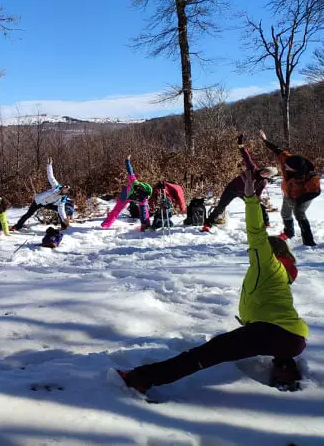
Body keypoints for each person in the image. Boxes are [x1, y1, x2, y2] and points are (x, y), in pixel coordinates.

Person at [118, 169, 308, 393]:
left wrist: (250, 199)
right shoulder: (281, 274)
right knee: (260, 340)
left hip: (275, 334)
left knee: (207, 353)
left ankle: (141, 379)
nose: (251, 252)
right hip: (294, 338)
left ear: (269, 251)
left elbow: (256, 232)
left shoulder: (268, 264)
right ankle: (285, 367)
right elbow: (270, 308)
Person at [202, 134, 276, 232]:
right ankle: (207, 224)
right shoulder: (252, 169)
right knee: (221, 206)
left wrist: (256, 200)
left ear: (268, 176)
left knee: (259, 207)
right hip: (231, 189)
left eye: (267, 173)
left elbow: (257, 195)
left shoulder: (263, 183)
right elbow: (246, 156)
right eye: (265, 170)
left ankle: (266, 224)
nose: (264, 173)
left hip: (244, 194)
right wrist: (240, 143)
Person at [261, 130, 321, 246]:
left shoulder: (310, 177)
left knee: (299, 213)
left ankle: (308, 241)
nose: (285, 166)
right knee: (285, 213)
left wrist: (299, 201)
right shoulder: (288, 159)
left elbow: (316, 192)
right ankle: (288, 233)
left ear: (296, 169)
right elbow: (277, 150)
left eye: (288, 167)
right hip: (288, 193)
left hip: (303, 197)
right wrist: (265, 141)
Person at [11, 157, 73, 231]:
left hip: (49, 204)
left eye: (66, 188)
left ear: (67, 192)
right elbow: (51, 176)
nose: (64, 187)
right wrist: (49, 165)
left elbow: (61, 210)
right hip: (38, 201)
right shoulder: (56, 186)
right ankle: (17, 226)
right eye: (65, 186)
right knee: (29, 214)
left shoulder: (62, 200)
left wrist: (64, 219)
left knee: (61, 211)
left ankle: (64, 226)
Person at [101, 155, 152, 231]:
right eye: (136, 191)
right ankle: (106, 224)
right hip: (126, 195)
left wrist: (144, 226)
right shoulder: (133, 181)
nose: (137, 193)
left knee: (144, 210)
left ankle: (146, 225)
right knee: (116, 210)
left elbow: (144, 212)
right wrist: (127, 161)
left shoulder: (144, 197)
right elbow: (130, 170)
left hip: (133, 196)